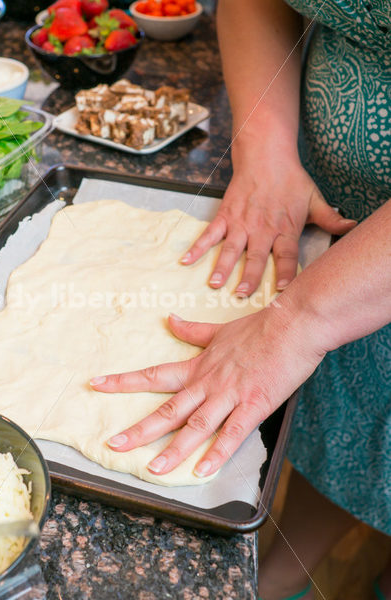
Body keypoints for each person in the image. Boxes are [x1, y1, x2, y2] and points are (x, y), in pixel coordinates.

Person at [90, 1, 391, 599]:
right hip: (324, 212)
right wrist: (266, 148)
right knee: (343, 421)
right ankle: (282, 571)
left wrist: (298, 321)